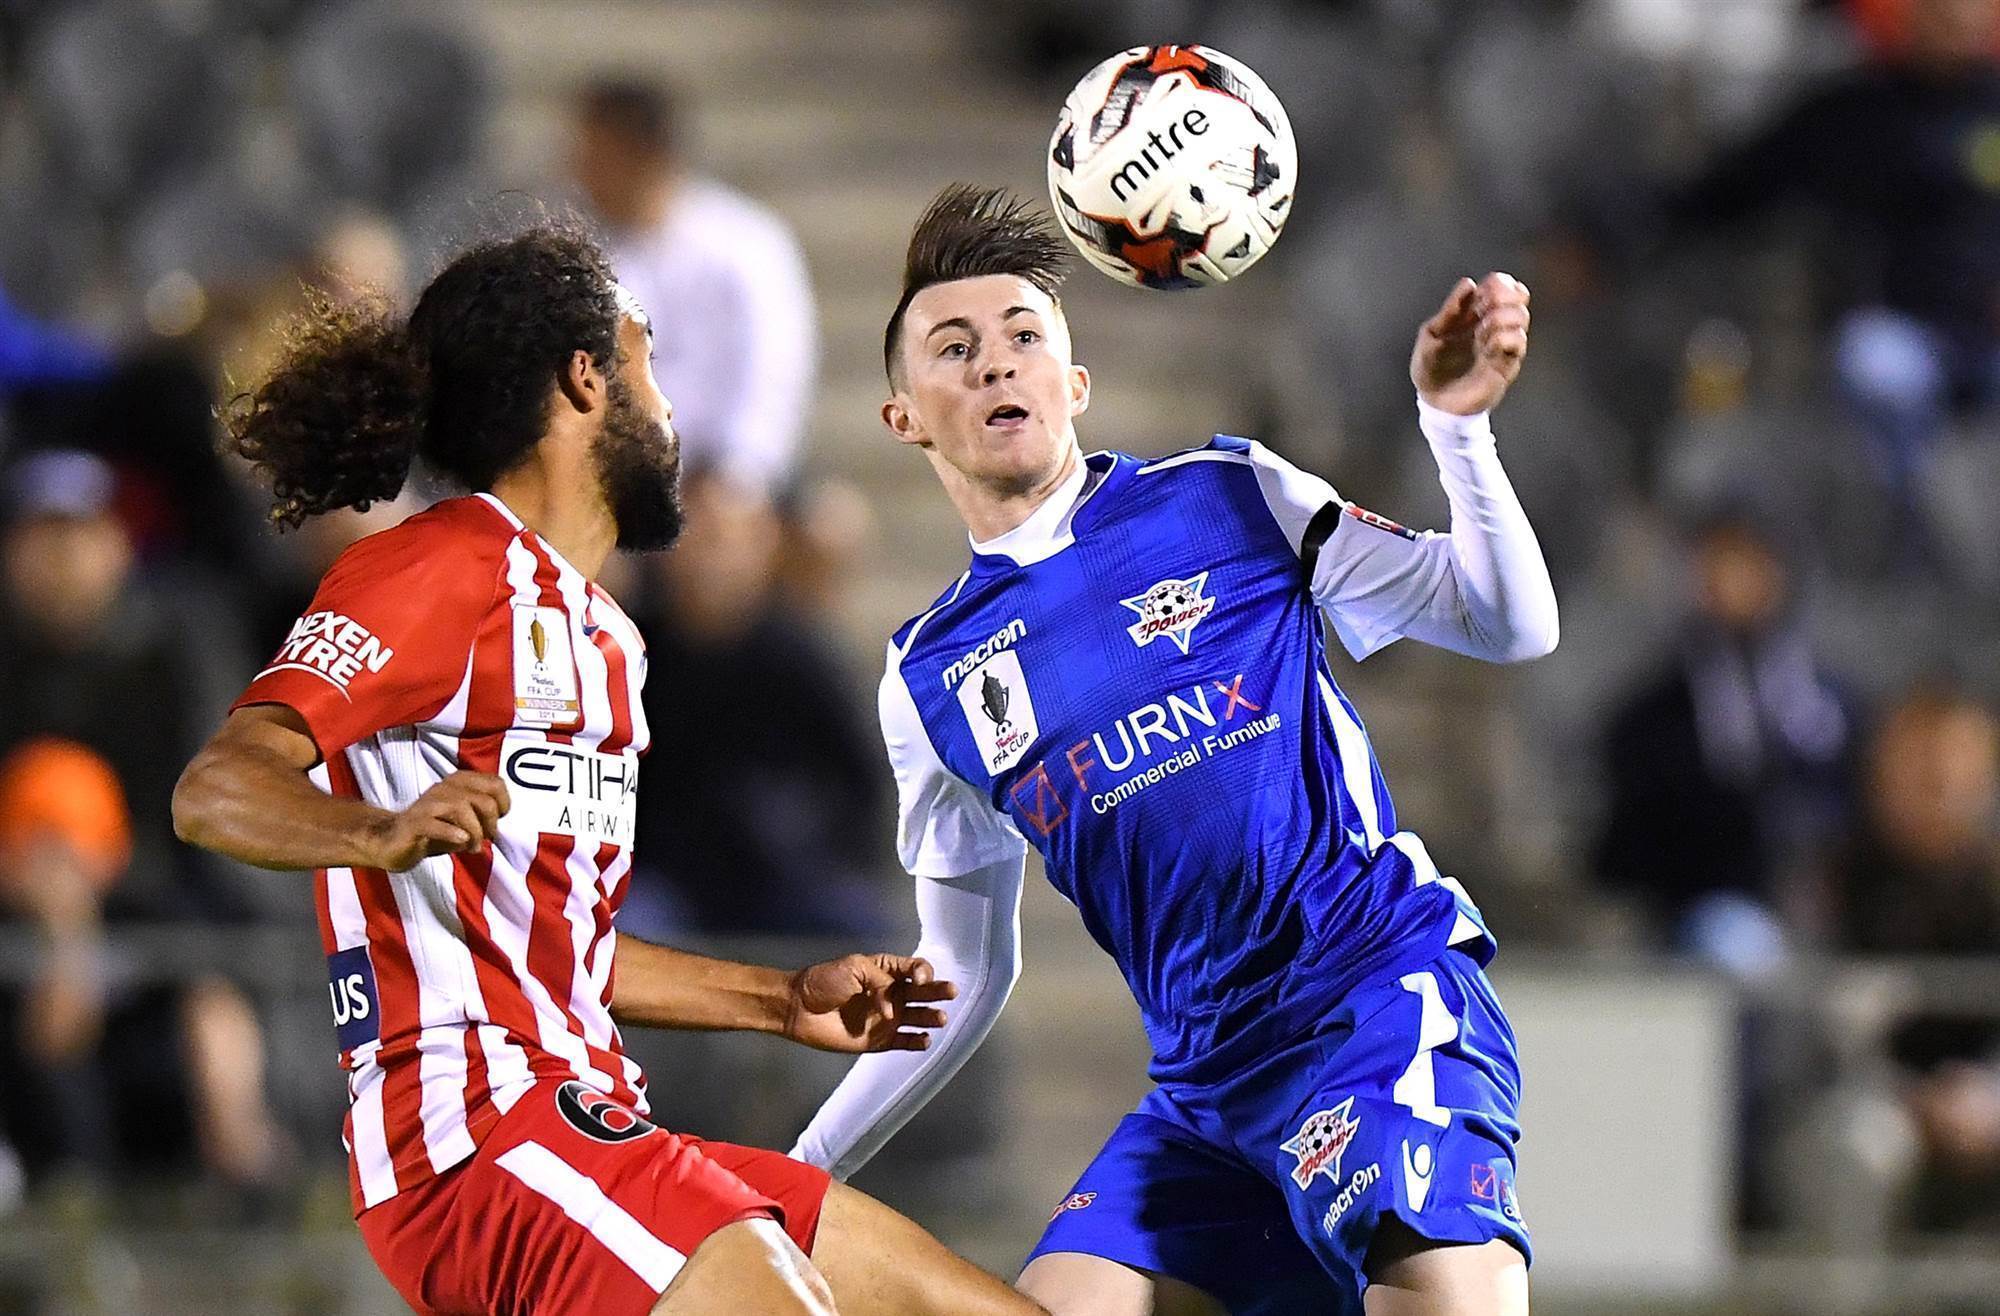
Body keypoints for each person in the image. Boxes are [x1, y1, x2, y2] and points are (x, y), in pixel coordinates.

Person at [170, 226, 1047, 1316]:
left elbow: (560, 948)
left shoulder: (605, 638)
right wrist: (374, 833)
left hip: (588, 1120)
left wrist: (779, 999)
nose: (668, 406)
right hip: (471, 1142)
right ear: (584, 380)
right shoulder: (435, 568)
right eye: (647, 360)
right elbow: (215, 787)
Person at [790, 186, 1558, 1315]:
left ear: (1074, 382)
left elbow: (1507, 623)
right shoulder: (928, 676)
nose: (996, 362)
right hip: (1206, 1089)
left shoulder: (1230, 496)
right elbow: (963, 967)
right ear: (902, 415)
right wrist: (800, 1170)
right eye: (954, 349)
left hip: (1371, 994)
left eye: (1023, 337)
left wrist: (1456, 429)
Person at [1593, 506, 1850, 973]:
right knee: (1735, 940)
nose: (1733, 582)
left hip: (1819, 906)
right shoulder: (1649, 717)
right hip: (1698, 910)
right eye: (1718, 564)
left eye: (1750, 564)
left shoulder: (1828, 700)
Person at [570, 77, 817, 499]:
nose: (579, 170)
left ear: (643, 154)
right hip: (618, 469)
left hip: (722, 467)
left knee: (832, 522)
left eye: (595, 154)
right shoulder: (579, 248)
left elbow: (773, 370)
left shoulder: (746, 241)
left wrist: (739, 476)